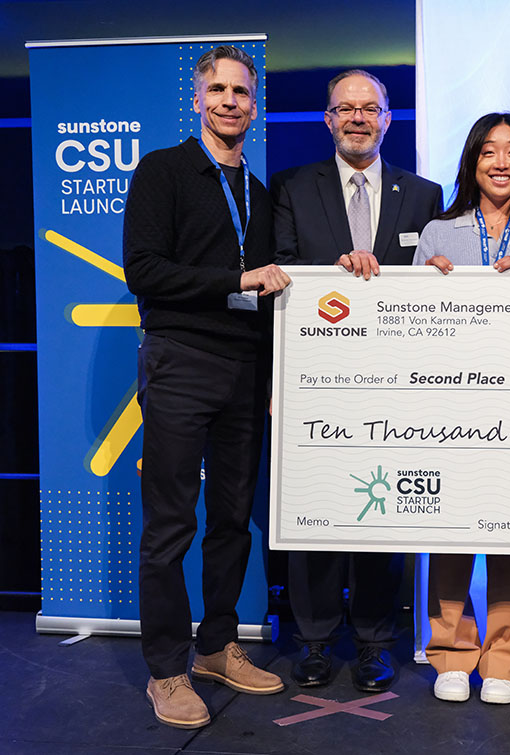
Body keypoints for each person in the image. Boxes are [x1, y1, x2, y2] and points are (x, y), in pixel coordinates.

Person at [123, 45, 289, 730]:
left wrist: (276, 375)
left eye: (240, 91)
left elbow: (277, 294)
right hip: (180, 361)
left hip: (245, 370)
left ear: (255, 104)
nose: (229, 101)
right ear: (197, 100)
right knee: (171, 524)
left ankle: (218, 645)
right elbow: (143, 271)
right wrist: (235, 279)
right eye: (217, 89)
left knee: (231, 520)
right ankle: (166, 669)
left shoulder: (260, 190)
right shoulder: (162, 170)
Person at [271, 69, 443, 692]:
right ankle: (314, 640)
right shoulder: (291, 187)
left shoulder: (423, 195)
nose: (357, 118)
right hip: (314, 378)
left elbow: (433, 280)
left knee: (381, 507)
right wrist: (333, 271)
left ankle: (374, 641)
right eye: (345, 109)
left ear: (388, 119)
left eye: (370, 108)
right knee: (315, 507)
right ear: (327, 119)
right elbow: (280, 269)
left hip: (394, 383)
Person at [414, 112, 510, 705]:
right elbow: (408, 327)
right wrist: (425, 286)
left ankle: (506, 656)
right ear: (472, 162)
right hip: (451, 404)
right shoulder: (438, 232)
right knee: (448, 526)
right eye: (488, 151)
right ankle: (452, 653)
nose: (501, 162)